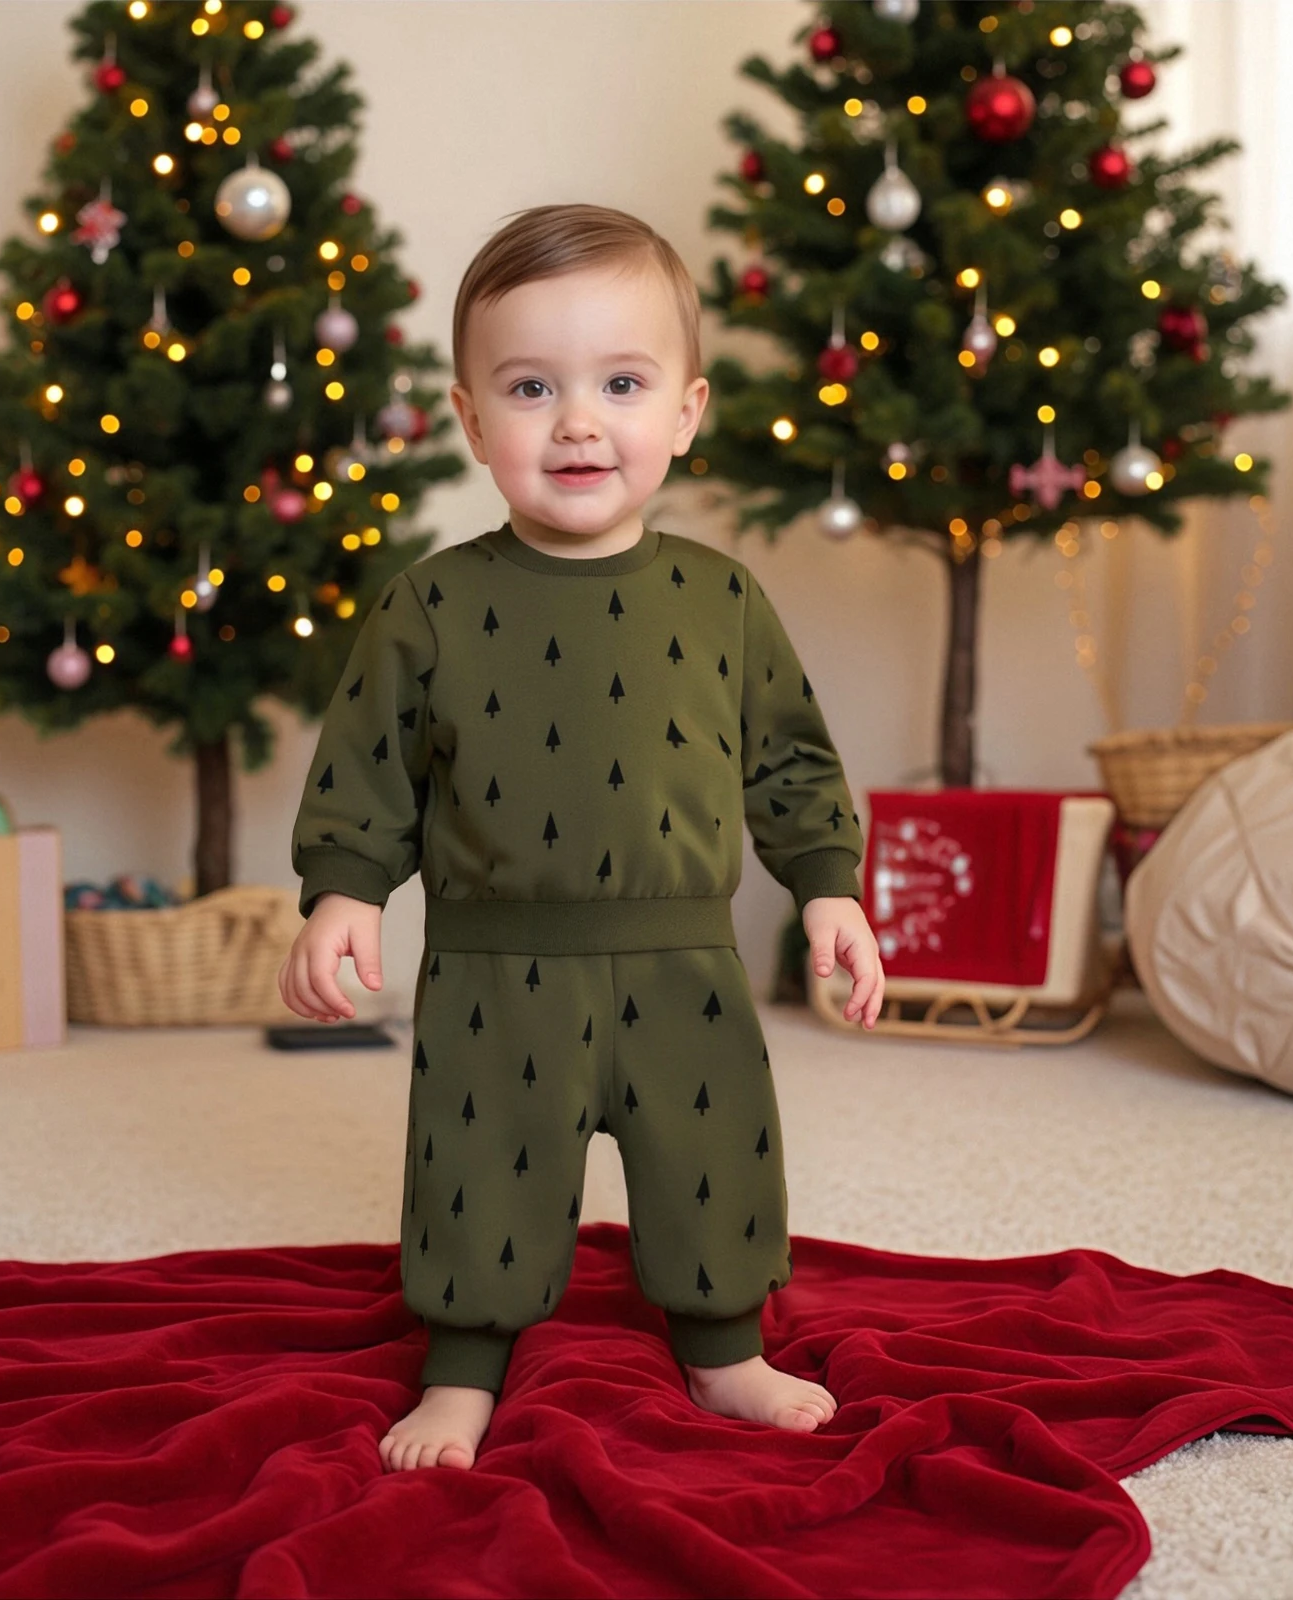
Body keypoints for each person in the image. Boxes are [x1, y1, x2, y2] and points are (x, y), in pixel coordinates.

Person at [279, 203, 885, 1473]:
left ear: (685, 411)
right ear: (466, 419)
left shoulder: (721, 599)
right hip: (498, 966)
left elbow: (786, 757)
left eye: (620, 382)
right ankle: (462, 1372)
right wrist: (343, 894)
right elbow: (370, 765)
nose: (575, 421)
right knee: (477, 1164)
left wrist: (828, 888)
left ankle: (724, 1350)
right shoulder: (431, 604)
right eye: (530, 387)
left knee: (712, 1157)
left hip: (684, 961)